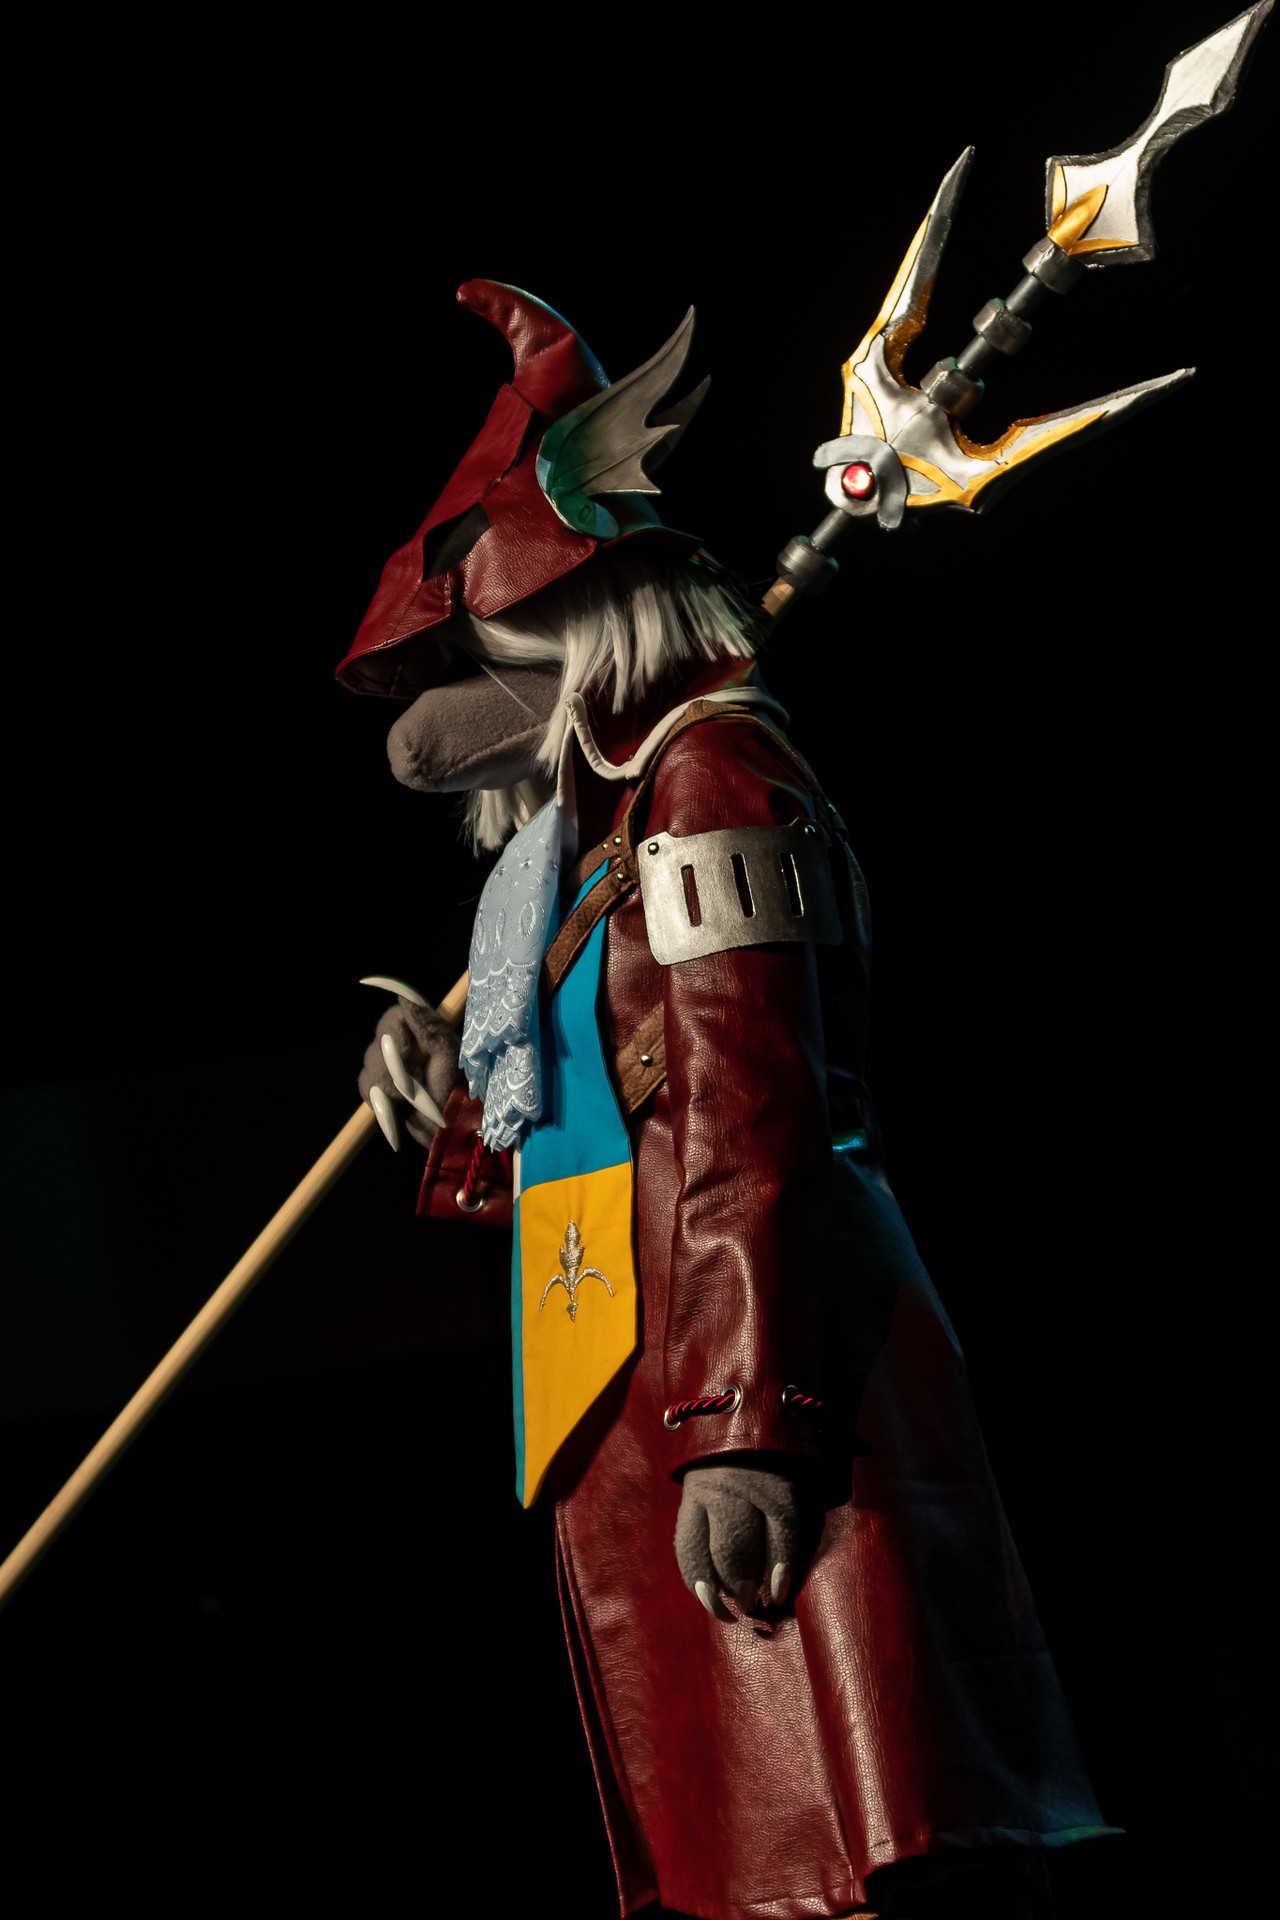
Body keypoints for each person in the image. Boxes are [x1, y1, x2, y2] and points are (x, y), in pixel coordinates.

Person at [339, 278, 1113, 1920]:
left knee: (855, 1854)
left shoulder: (709, 783)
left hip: (764, 1372)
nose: (453, 704)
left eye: (483, 648)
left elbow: (757, 1118)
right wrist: (451, 1072)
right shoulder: (591, 843)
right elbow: (595, 1126)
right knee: (752, 1857)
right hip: (662, 1377)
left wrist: (745, 1428)